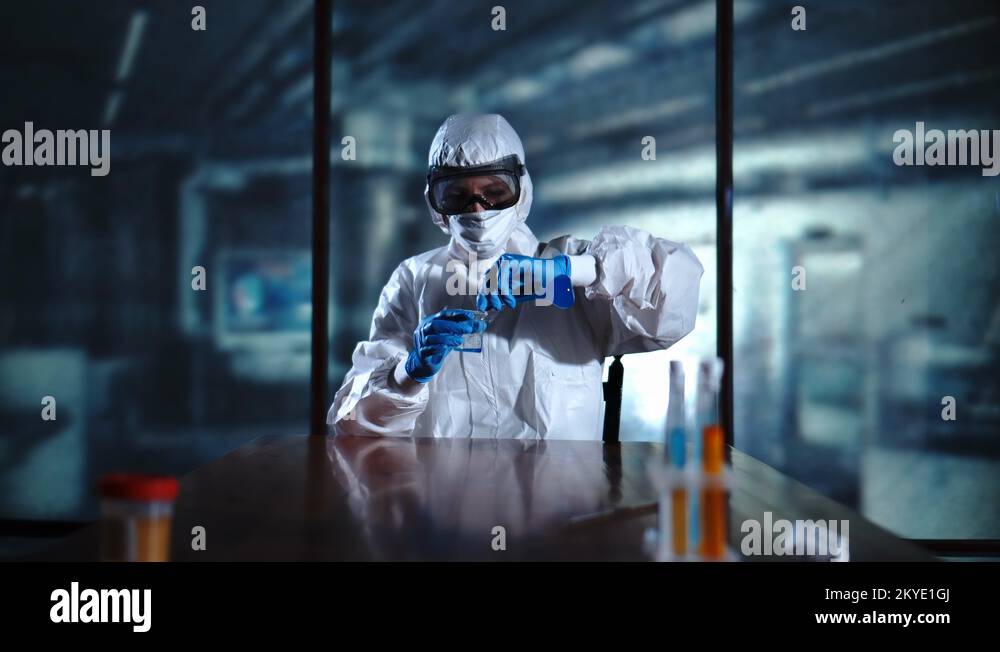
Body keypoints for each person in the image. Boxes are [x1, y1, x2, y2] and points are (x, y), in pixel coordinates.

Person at [328, 113, 703, 439]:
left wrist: (570, 271)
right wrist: (407, 376)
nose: (478, 209)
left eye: (494, 191)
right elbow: (352, 426)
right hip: (444, 507)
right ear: (435, 203)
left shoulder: (575, 268)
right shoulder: (415, 280)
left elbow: (677, 295)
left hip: (562, 511)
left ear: (521, 191)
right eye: (457, 195)